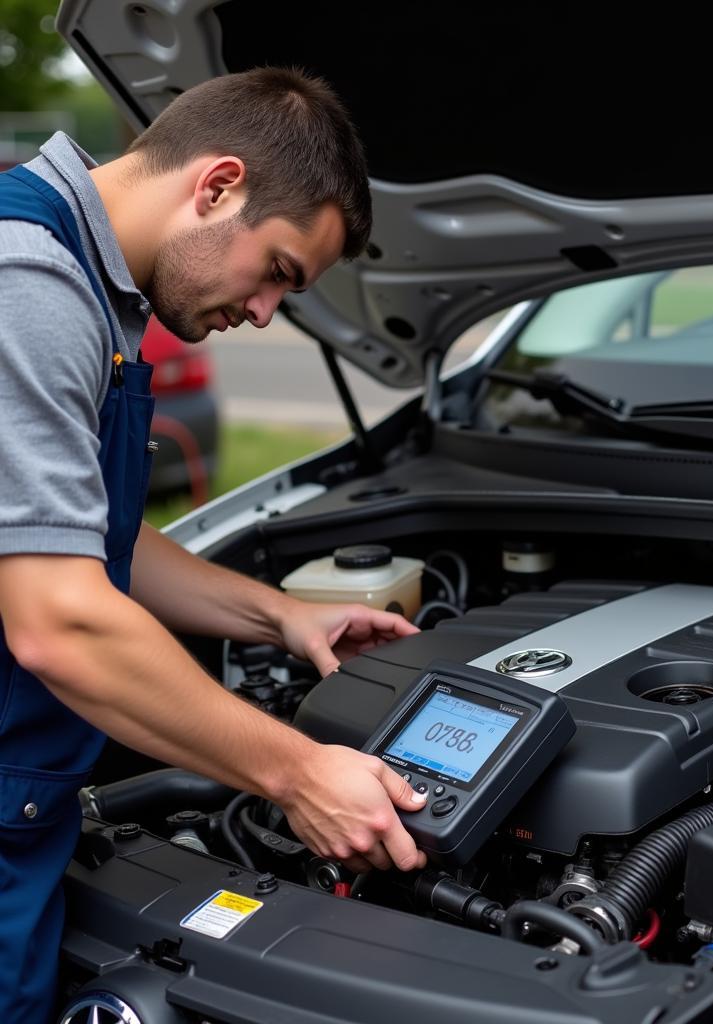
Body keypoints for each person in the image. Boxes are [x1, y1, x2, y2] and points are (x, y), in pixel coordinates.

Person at [0, 67, 427, 1023]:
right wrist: (300, 772)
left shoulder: (85, 280)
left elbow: (76, 534)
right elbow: (59, 621)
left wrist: (279, 616)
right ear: (217, 185)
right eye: (277, 270)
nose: (268, 313)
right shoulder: (26, 285)